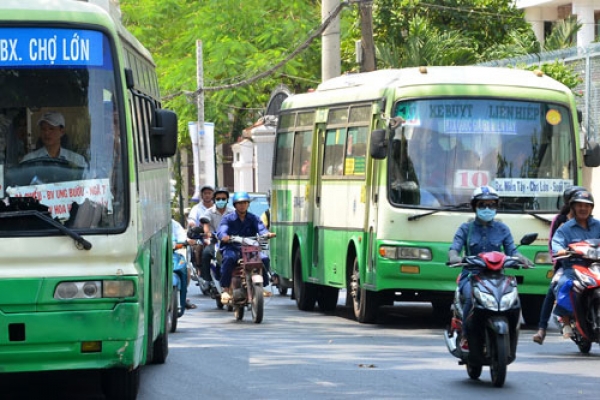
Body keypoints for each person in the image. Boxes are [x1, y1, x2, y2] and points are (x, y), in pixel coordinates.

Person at [448, 185, 526, 352]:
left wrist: (522, 259)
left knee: (514, 301)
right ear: (474, 207)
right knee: (470, 298)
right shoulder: (465, 229)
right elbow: (454, 249)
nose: (487, 209)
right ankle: (467, 336)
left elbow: (512, 251)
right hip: (471, 276)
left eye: (491, 205)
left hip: (497, 277)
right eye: (482, 205)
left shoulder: (503, 229)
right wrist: (454, 257)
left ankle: (511, 337)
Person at [532, 185, 585, 344]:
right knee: (554, 287)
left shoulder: (590, 221)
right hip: (567, 264)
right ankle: (542, 328)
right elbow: (552, 243)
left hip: (588, 263)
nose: (581, 207)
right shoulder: (561, 221)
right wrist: (558, 258)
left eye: (584, 204)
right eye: (577, 203)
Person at [551, 190, 600, 338]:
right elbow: (557, 243)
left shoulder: (598, 225)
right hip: (574, 267)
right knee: (562, 284)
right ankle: (566, 322)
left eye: (587, 206)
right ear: (573, 207)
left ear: (591, 208)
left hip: (596, 266)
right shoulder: (565, 228)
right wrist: (560, 251)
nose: (583, 209)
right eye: (579, 205)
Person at [217, 191, 276, 303]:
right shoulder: (228, 218)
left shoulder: (254, 218)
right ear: (235, 205)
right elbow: (222, 230)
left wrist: (267, 234)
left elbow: (262, 229)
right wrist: (224, 236)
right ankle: (225, 289)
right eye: (239, 203)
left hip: (250, 249)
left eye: (245, 203)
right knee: (228, 259)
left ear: (248, 204)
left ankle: (262, 285)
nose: (242, 205)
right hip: (232, 248)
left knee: (264, 259)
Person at [21, 111, 87, 168]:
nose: (46, 133)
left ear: (62, 132)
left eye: (51, 129)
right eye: (43, 129)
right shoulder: (29, 160)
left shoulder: (77, 160)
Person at [199, 187, 235, 285]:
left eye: (223, 199)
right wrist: (208, 233)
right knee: (206, 253)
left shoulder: (232, 212)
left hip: (230, 241)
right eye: (218, 199)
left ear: (227, 200)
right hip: (215, 241)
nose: (221, 201)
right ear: (214, 199)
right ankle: (206, 279)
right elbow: (205, 225)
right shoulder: (209, 212)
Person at [187, 185, 215, 273]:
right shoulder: (196, 208)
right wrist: (194, 226)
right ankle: (200, 270)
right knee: (199, 247)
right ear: (202, 195)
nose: (207, 195)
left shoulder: (217, 208)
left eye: (209, 193)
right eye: (205, 193)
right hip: (202, 235)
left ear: (213, 195)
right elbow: (191, 220)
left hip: (216, 235)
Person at [172, 219, 196, 309]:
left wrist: (187, 241)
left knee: (186, 268)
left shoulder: (174, 224)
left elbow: (182, 236)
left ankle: (183, 296)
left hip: (174, 253)